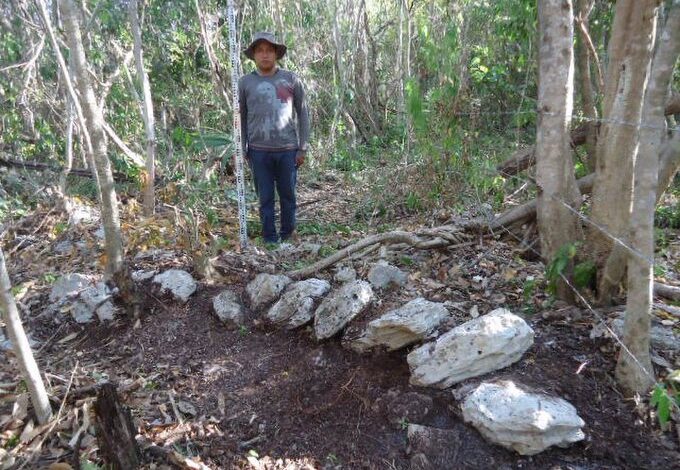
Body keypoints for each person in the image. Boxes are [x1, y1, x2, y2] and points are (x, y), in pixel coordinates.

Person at [239, 32, 310, 244]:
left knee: (288, 196)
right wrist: (242, 148)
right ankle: (269, 239)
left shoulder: (291, 79)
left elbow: (303, 112)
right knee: (265, 198)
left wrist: (302, 147)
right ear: (253, 55)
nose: (265, 55)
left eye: (269, 50)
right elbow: (240, 117)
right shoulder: (244, 83)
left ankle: (288, 234)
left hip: (287, 150)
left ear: (276, 53)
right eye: (260, 50)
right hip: (258, 151)